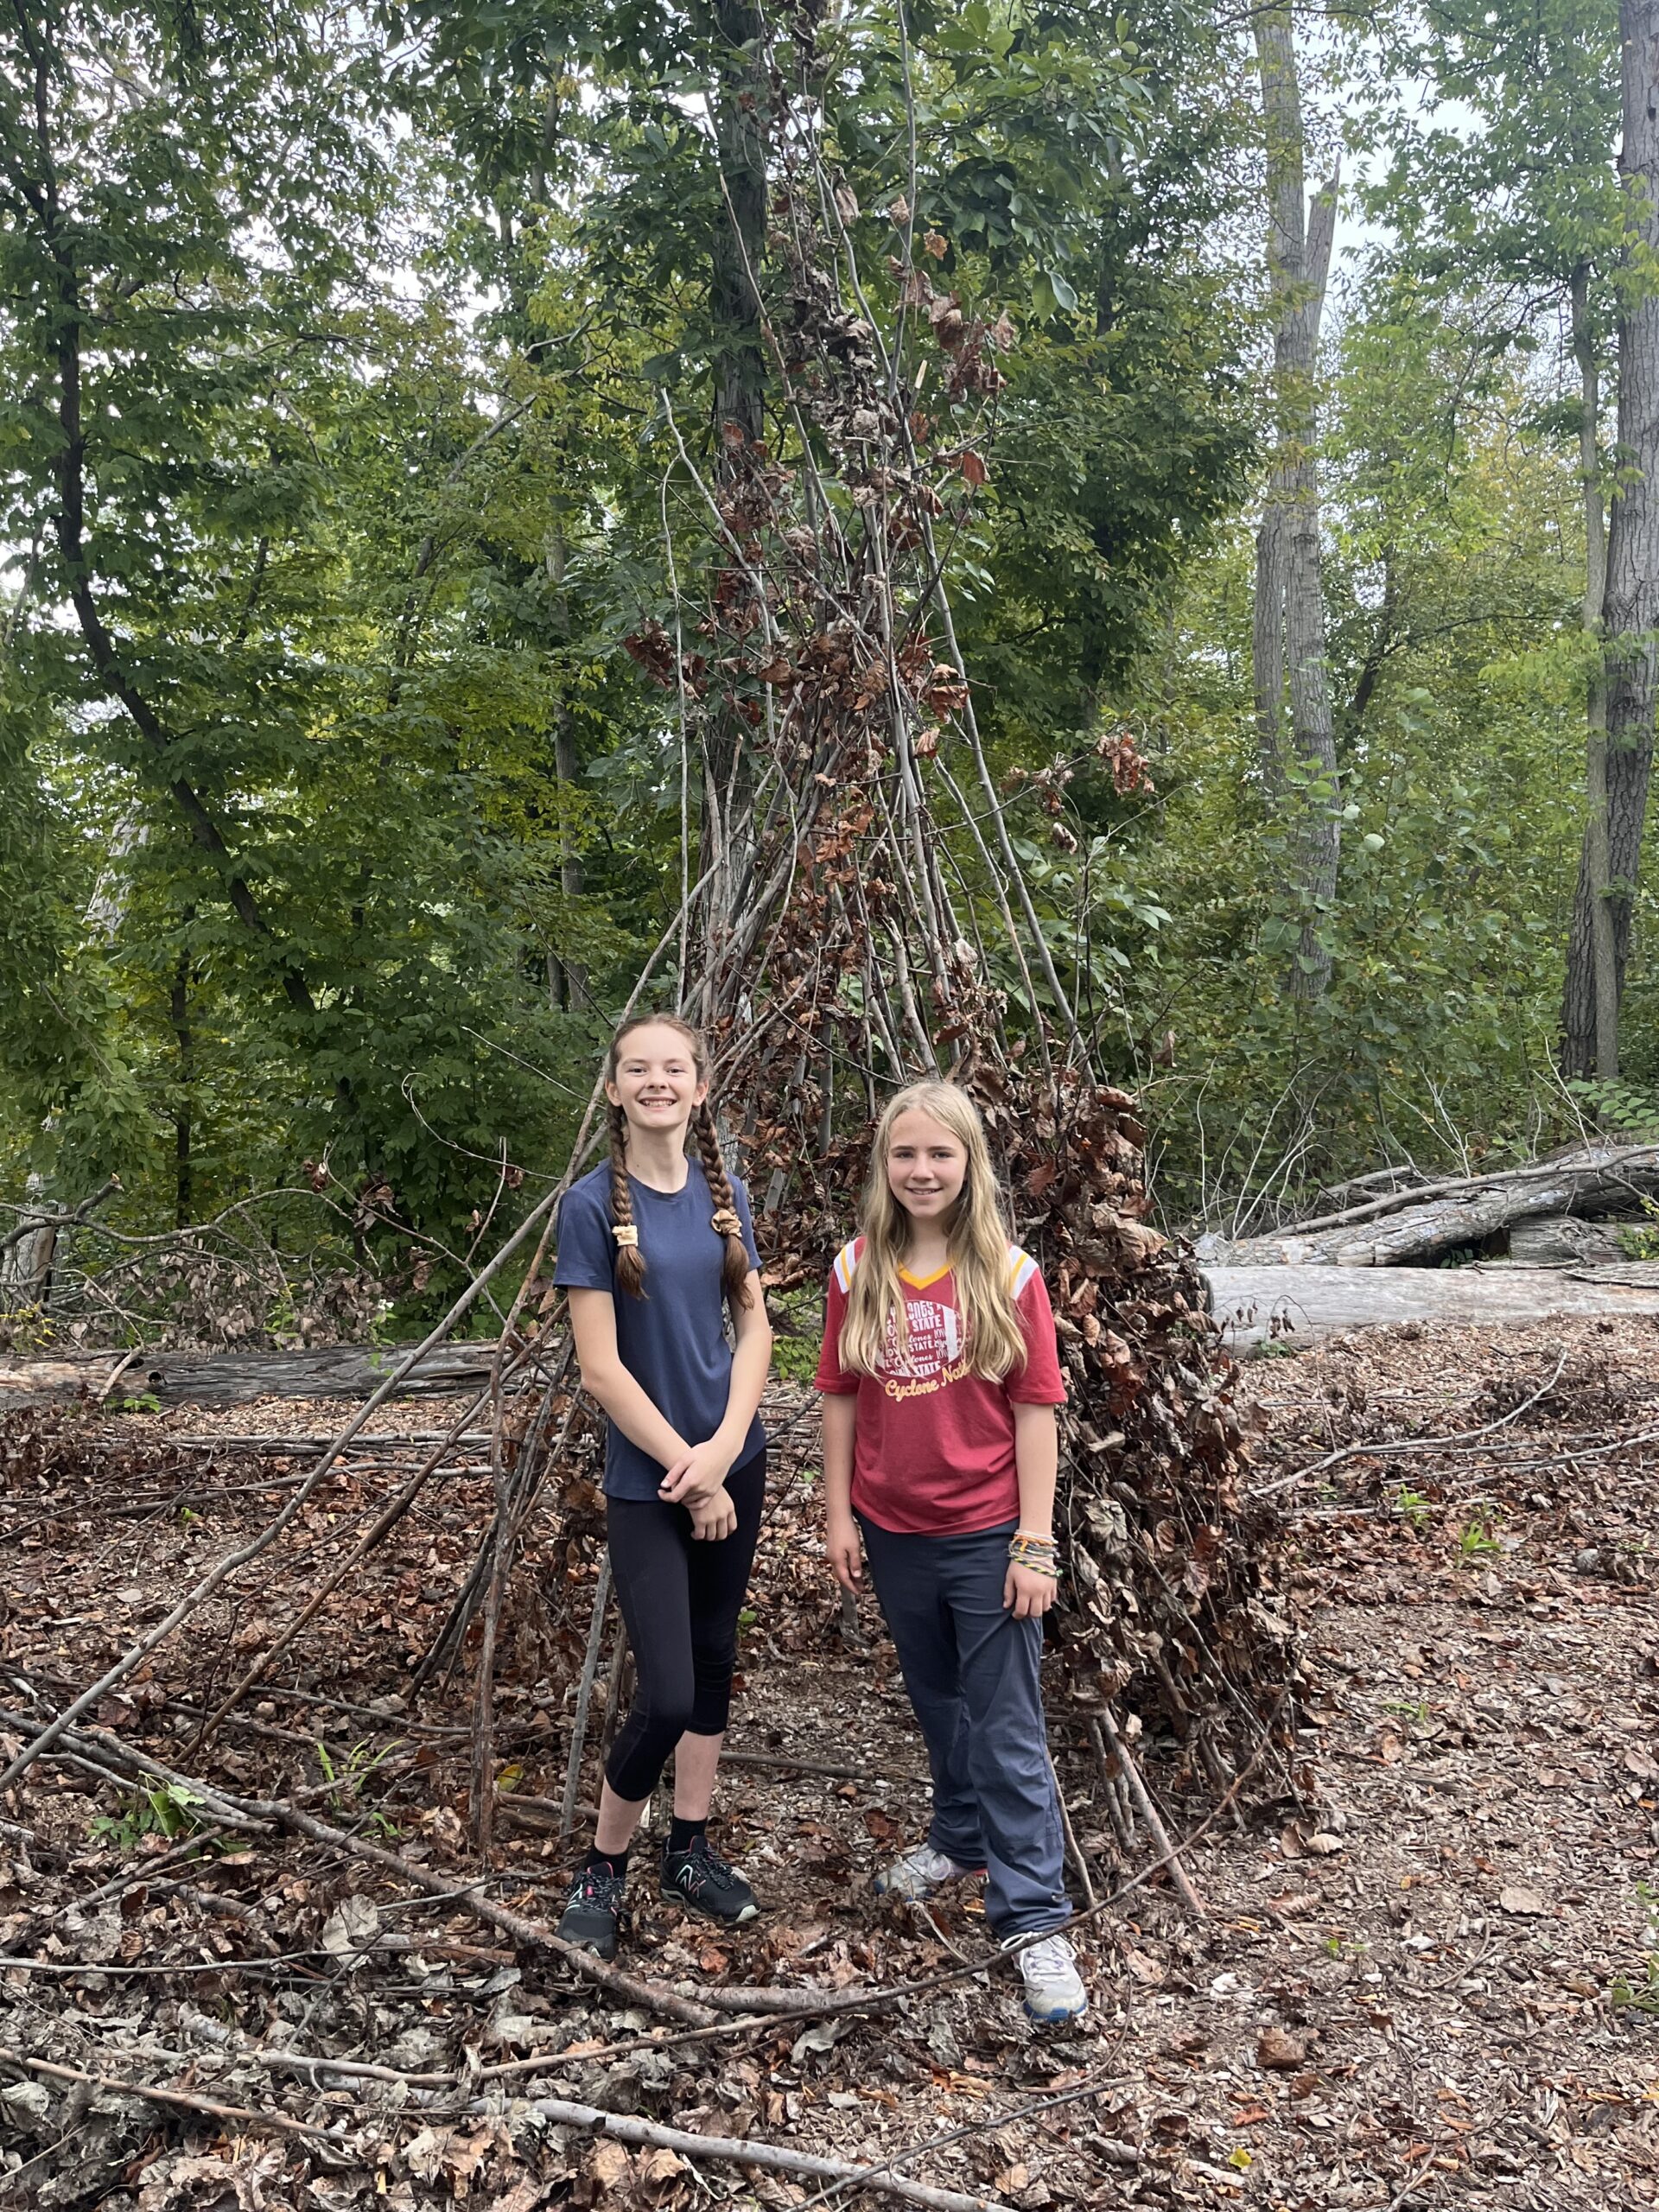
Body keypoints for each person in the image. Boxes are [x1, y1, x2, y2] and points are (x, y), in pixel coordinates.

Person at [815, 1080, 1086, 2024]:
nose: (922, 1171)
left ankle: (1036, 1918)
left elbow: (1037, 1409)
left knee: (1006, 1721)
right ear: (883, 1167)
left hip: (988, 1535)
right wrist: (840, 1512)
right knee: (935, 1698)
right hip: (894, 1531)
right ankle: (960, 1836)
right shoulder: (857, 1269)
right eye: (905, 1155)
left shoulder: (1008, 1275)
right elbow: (840, 1394)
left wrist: (1036, 1541)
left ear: (970, 1164)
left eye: (940, 1154)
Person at [552, 1014, 772, 1961]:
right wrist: (691, 1475)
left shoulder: (726, 1200)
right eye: (637, 1068)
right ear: (613, 1089)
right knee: (668, 1691)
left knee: (716, 1657)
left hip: (736, 1459)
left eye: (672, 1067)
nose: (656, 1081)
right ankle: (604, 1861)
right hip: (650, 1484)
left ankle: (688, 1847)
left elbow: (757, 1331)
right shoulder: (591, 1205)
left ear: (699, 1085)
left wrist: (725, 1449)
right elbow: (600, 1368)